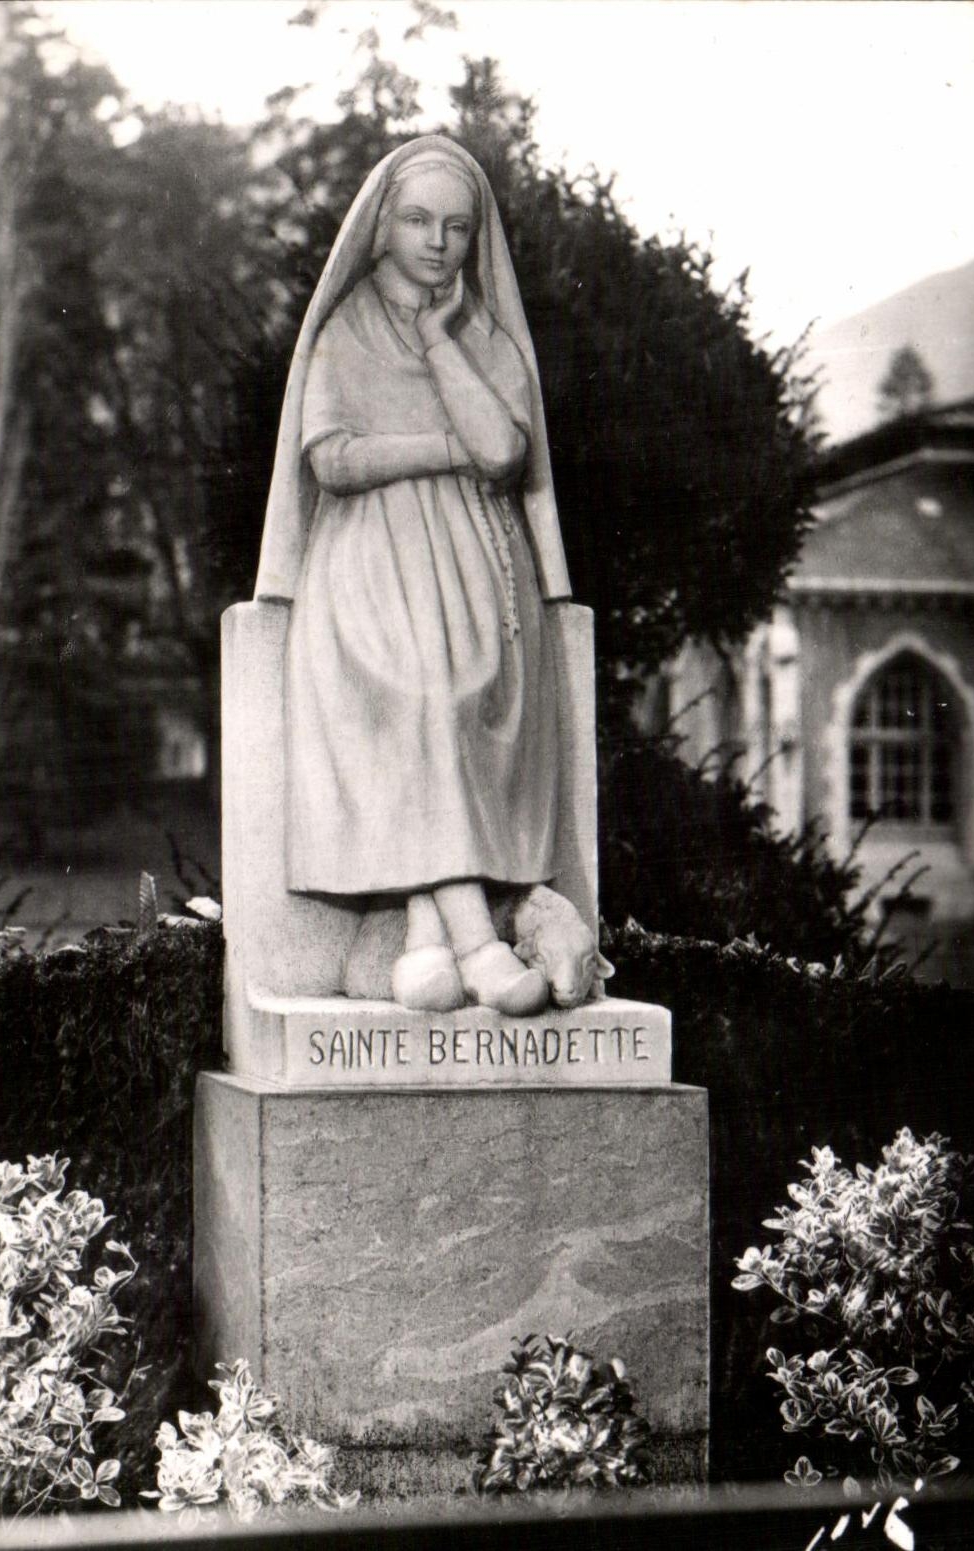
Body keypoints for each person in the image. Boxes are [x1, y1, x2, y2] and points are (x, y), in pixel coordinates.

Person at [254, 137, 572, 1015]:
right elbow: (332, 459)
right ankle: (479, 945)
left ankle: (429, 940)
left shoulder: (482, 335)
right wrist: (441, 450)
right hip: (365, 574)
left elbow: (505, 451)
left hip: (478, 582)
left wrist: (439, 342)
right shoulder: (345, 329)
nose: (437, 242)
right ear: (383, 224)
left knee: (461, 692)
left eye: (458, 227)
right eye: (419, 220)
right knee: (424, 693)